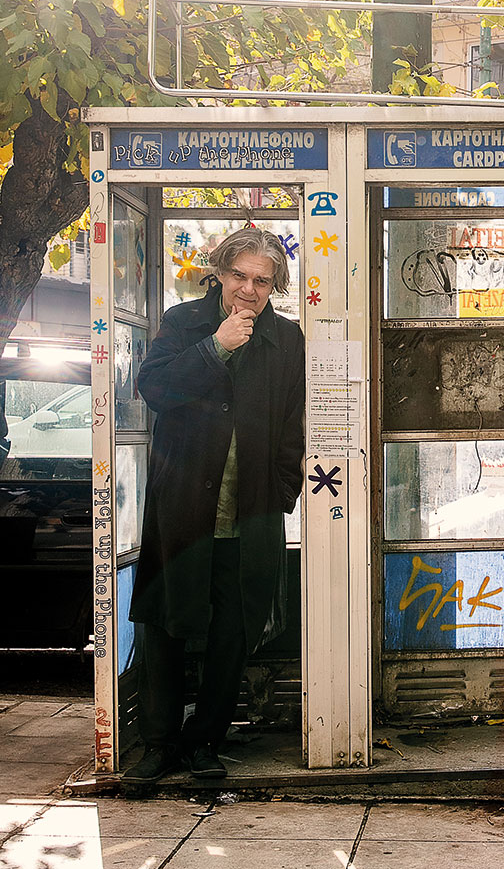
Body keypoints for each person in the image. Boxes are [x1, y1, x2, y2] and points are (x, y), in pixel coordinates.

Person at [125, 228, 305, 782]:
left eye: (262, 280)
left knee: (235, 630)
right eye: (240, 276)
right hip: (182, 506)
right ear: (220, 274)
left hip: (249, 510)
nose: (250, 290)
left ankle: (206, 742)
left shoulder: (286, 337)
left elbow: (293, 427)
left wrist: (280, 493)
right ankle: (159, 743)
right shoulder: (185, 324)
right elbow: (153, 388)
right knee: (165, 626)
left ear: (274, 285)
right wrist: (216, 347)